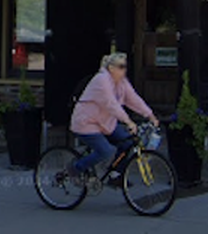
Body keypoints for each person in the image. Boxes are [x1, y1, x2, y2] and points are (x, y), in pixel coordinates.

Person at [66, 51, 157, 181]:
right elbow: (111, 104)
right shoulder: (101, 80)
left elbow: (133, 99)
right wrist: (128, 121)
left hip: (106, 123)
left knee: (128, 142)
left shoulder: (122, 82)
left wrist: (150, 115)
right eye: (121, 67)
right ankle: (75, 168)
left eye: (125, 66)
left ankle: (115, 175)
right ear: (111, 68)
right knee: (106, 151)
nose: (124, 70)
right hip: (87, 123)